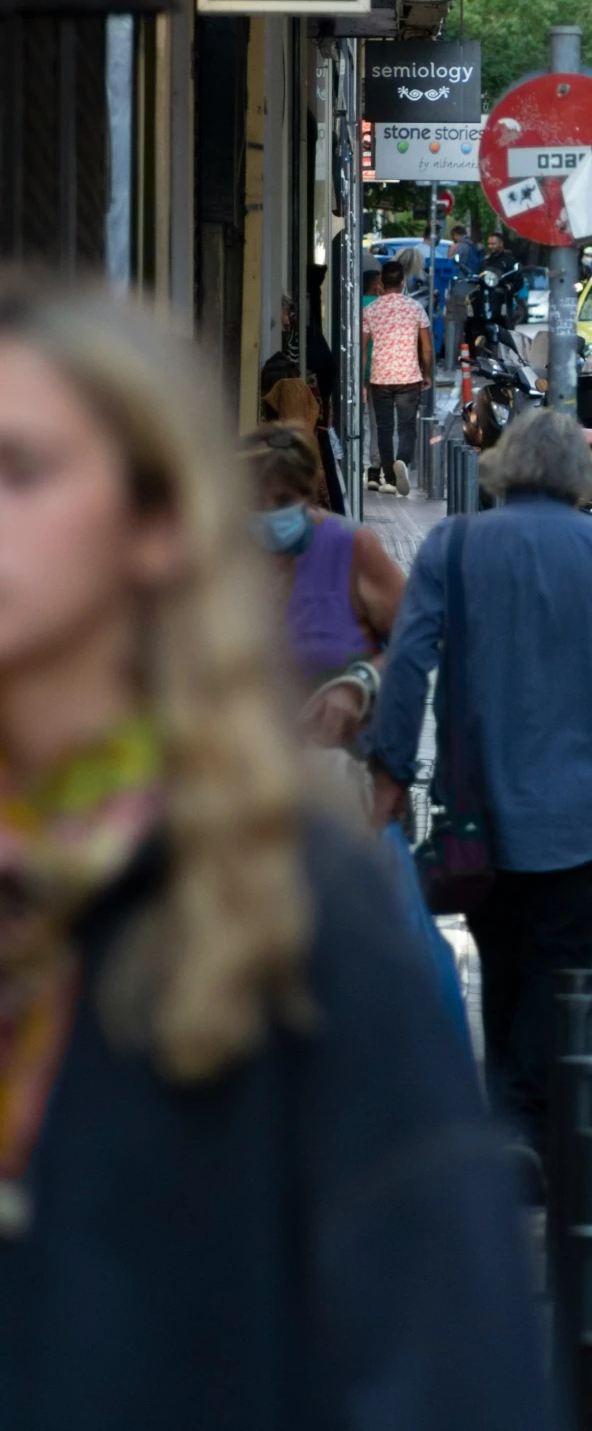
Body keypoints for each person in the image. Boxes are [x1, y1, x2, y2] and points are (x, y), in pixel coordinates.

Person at [0, 280, 538, 1425]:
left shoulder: (285, 900)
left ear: (152, 530)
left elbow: (439, 1356)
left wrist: (359, 701)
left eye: (24, 469)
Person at [369, 410, 592, 1151]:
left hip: (475, 807)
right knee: (557, 968)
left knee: (504, 961)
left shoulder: (451, 548)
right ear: (584, 480)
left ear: (501, 470)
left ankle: (513, 1129)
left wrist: (390, 774)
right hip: (582, 812)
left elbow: (407, 668)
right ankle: (526, 1135)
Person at [241, 424, 405, 742]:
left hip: (341, 767)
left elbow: (416, 639)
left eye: (283, 500)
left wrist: (362, 683)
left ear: (309, 493)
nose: (268, 513)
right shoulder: (221, 557)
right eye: (254, 502)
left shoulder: (352, 547)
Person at [363, 259, 431, 497]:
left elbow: (363, 349)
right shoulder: (415, 308)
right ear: (403, 282)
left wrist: (364, 380)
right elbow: (426, 348)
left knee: (384, 428)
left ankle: (390, 479)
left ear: (382, 281)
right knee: (407, 426)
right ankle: (402, 462)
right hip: (408, 377)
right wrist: (427, 374)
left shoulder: (370, 310)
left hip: (380, 378)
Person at [443, 222, 482, 374]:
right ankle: (469, 356)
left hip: (459, 290)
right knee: (467, 325)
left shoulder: (460, 247)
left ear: (455, 235)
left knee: (454, 324)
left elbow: (452, 266)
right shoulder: (475, 247)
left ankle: (451, 361)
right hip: (472, 291)